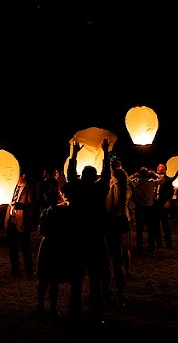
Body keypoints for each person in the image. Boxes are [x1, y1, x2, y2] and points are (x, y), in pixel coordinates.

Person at [62, 138, 111, 325]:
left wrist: (74, 154)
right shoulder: (100, 189)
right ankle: (96, 313)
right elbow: (106, 174)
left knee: (76, 278)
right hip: (96, 237)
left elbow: (70, 174)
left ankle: (74, 312)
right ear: (95, 176)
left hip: (77, 237)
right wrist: (105, 152)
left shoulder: (76, 188)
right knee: (95, 277)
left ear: (82, 176)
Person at [36, 180, 75, 318]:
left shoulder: (46, 212)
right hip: (58, 246)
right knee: (54, 279)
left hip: (47, 245)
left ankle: (41, 305)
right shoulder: (65, 211)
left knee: (44, 279)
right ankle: (53, 308)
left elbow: (41, 230)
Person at [105, 159, 132, 307]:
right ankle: (113, 290)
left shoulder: (118, 191)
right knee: (115, 259)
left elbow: (113, 208)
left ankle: (117, 291)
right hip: (119, 224)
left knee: (114, 259)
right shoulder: (123, 189)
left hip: (114, 225)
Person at [4, 169, 36, 278]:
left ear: (23, 175)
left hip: (22, 221)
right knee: (12, 247)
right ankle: (15, 269)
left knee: (25, 247)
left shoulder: (29, 188)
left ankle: (29, 270)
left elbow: (31, 204)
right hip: (11, 220)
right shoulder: (12, 187)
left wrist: (19, 205)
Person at [129, 166, 164, 257]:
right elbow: (162, 180)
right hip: (149, 209)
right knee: (150, 230)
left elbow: (127, 180)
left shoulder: (135, 182)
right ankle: (151, 250)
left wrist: (134, 175)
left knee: (139, 230)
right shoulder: (151, 182)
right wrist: (155, 174)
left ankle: (139, 250)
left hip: (139, 209)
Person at [154, 162, 178, 250]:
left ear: (165, 169)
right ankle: (158, 244)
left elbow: (170, 191)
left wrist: (168, 201)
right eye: (159, 167)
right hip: (155, 204)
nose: (159, 168)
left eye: (162, 167)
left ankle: (168, 244)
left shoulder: (167, 179)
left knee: (165, 224)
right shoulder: (153, 178)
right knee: (156, 225)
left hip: (163, 203)